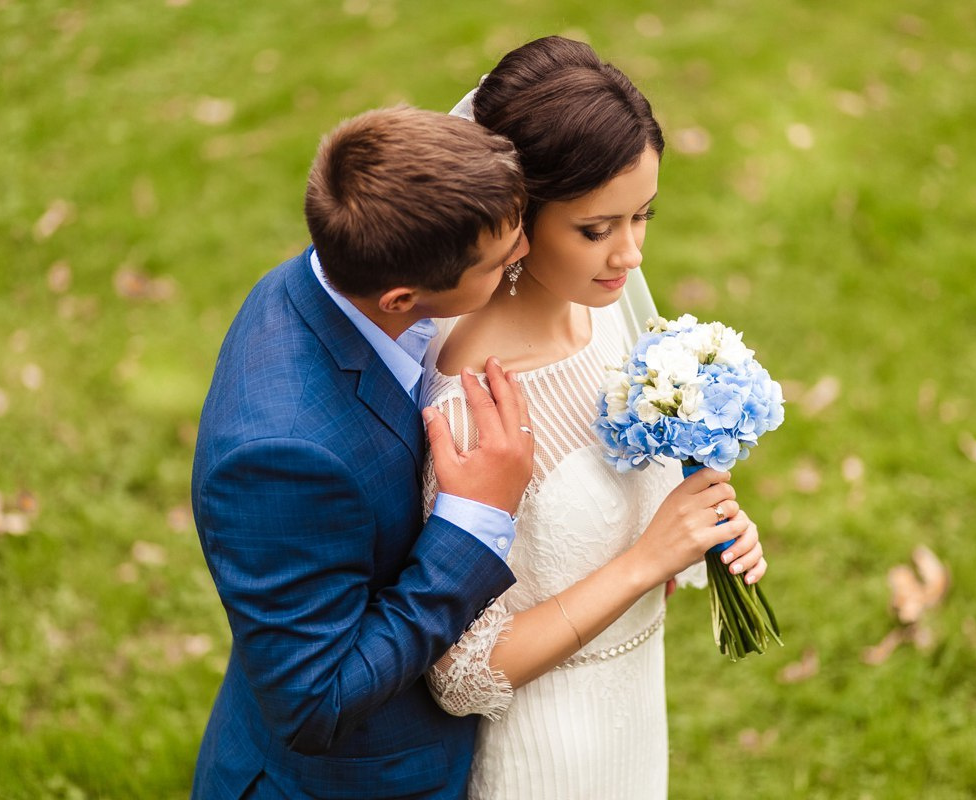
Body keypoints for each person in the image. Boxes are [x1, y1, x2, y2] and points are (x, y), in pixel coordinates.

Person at [422, 37, 769, 798]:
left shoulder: (606, 321)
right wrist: (648, 558)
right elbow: (461, 673)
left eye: (642, 216)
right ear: (518, 218)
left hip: (634, 718)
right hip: (548, 755)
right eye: (596, 230)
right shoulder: (473, 398)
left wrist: (704, 530)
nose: (631, 255)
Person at [190, 106, 537, 799]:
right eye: (501, 261)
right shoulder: (280, 459)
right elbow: (315, 702)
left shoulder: (327, 280)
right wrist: (471, 522)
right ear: (403, 295)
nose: (525, 253)